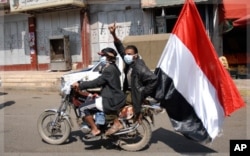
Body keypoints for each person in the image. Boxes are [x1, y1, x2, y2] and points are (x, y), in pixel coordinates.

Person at [108, 23, 158, 126]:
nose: (126, 56)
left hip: (134, 93)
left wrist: (143, 92)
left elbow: (153, 79)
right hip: (129, 91)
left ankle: (117, 124)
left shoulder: (139, 66)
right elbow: (120, 48)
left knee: (111, 102)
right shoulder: (130, 62)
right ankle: (125, 124)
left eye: (129, 54)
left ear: (136, 55)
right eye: (126, 54)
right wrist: (113, 34)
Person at [72, 47, 126, 137]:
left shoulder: (109, 70)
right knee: (92, 100)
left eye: (103, 55)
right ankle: (100, 124)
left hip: (110, 99)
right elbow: (103, 81)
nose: (101, 58)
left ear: (108, 57)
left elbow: (97, 82)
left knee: (82, 108)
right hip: (113, 95)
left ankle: (95, 129)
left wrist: (80, 85)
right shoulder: (113, 67)